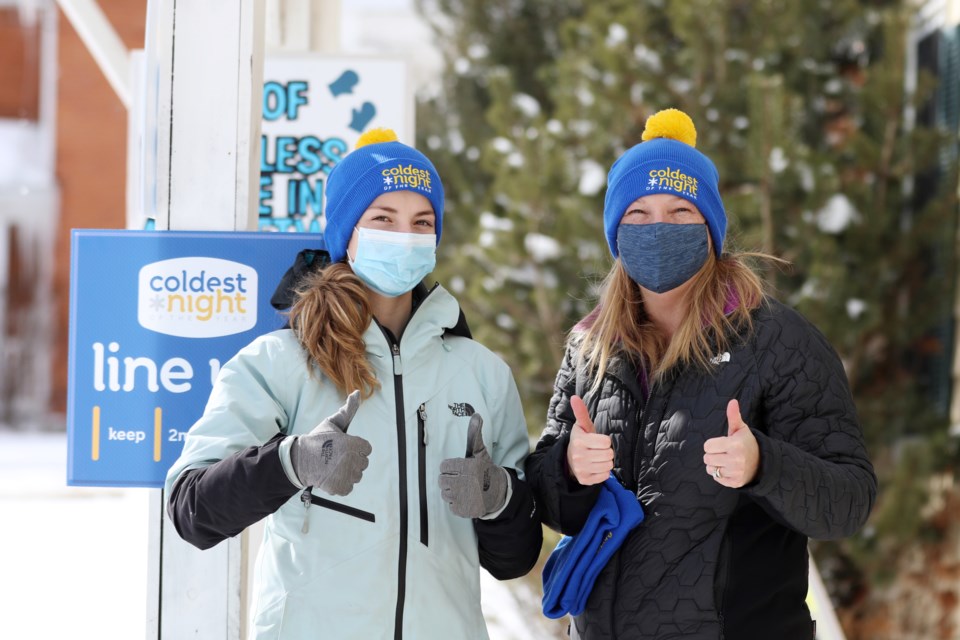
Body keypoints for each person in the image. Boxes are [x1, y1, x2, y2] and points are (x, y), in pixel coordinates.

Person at [165, 128, 542, 639]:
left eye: (422, 222)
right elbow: (192, 510)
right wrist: (290, 461)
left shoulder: (482, 373)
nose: (405, 236)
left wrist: (498, 499)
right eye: (383, 219)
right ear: (347, 232)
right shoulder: (280, 362)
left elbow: (512, 560)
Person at [525, 108, 877, 640]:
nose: (658, 227)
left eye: (680, 211)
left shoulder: (776, 341)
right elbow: (550, 504)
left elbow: (848, 502)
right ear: (615, 232)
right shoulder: (590, 345)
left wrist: (764, 464)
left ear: (710, 228)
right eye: (638, 213)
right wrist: (569, 469)